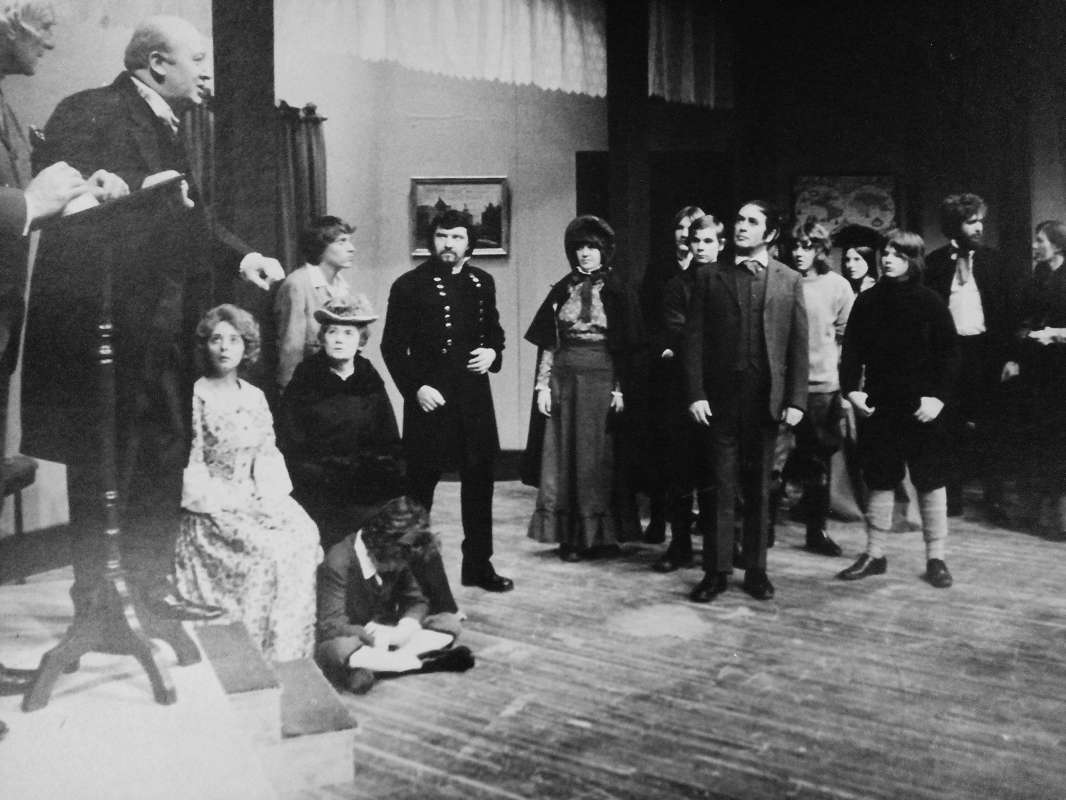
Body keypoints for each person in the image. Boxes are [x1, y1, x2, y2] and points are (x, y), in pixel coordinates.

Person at [23, 15, 286, 622]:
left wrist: (242, 256)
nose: (207, 72)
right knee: (103, 461)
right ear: (157, 63)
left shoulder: (173, 124)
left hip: (163, 331)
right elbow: (69, 213)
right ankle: (97, 604)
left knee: (163, 454)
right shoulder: (89, 110)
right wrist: (144, 190)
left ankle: (150, 592)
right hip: (104, 332)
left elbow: (189, 221)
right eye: (197, 59)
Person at [0, 1, 131, 728]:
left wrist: (76, 197)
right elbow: (17, 205)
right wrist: (27, 204)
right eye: (43, 24)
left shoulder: (9, 108)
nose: (53, 40)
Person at [174, 305, 321, 660]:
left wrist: (272, 503)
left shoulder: (254, 396)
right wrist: (228, 503)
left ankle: (290, 649)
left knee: (304, 534)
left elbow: (266, 454)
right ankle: (254, 649)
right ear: (205, 346)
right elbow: (193, 460)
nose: (225, 347)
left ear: (247, 347)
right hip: (212, 506)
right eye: (216, 339)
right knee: (269, 550)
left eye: (234, 340)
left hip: (255, 494)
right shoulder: (196, 395)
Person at [381, 209, 512, 592]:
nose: (448, 244)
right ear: (431, 240)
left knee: (479, 486)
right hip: (430, 400)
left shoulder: (482, 282)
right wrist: (415, 389)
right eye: (442, 236)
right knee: (419, 490)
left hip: (474, 401)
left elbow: (495, 332)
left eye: (456, 237)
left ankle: (478, 566)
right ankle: (407, 576)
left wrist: (492, 353)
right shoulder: (408, 285)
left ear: (469, 243)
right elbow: (392, 347)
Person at [684, 200, 808, 604]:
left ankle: (756, 570)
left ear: (769, 233)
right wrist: (696, 393)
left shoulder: (789, 280)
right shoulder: (710, 276)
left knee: (759, 488)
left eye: (752, 221)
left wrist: (796, 399)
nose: (741, 226)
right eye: (738, 219)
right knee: (720, 487)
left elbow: (798, 345)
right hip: (720, 402)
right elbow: (694, 341)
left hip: (765, 401)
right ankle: (716, 571)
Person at [837, 230, 959, 588]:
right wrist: (852, 392)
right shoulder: (868, 301)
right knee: (880, 476)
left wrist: (938, 399)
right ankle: (874, 554)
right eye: (885, 253)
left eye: (898, 254)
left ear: (913, 259)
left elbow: (950, 355)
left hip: (923, 407)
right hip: (880, 406)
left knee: (930, 478)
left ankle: (936, 558)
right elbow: (852, 352)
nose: (888, 259)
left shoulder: (931, 301)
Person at [523, 215, 644, 560]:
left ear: (604, 251)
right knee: (563, 455)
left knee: (598, 456)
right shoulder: (563, 289)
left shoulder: (618, 290)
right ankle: (570, 536)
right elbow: (549, 341)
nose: (585, 253)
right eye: (580, 247)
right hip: (564, 379)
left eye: (592, 247)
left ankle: (602, 534)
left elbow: (626, 347)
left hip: (602, 380)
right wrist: (542, 386)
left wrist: (620, 389)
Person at [316, 497, 473, 695]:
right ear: (379, 546)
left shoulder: (397, 553)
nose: (400, 567)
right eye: (397, 562)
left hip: (387, 633)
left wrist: (405, 628)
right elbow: (331, 625)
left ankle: (388, 664)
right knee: (338, 649)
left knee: (449, 622)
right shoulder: (338, 561)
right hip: (355, 637)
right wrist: (371, 635)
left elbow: (417, 601)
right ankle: (412, 663)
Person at [924, 194, 1013, 520]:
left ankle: (995, 499)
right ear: (954, 225)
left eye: (980, 221)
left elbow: (1008, 314)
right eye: (971, 221)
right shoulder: (934, 263)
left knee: (990, 425)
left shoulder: (994, 261)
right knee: (948, 424)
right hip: (948, 355)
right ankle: (952, 496)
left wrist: (1010, 358)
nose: (979, 228)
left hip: (986, 353)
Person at [651, 214, 722, 572]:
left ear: (721, 245)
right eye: (697, 241)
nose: (702, 248)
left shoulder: (732, 282)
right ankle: (679, 545)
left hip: (723, 389)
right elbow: (679, 333)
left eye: (709, 241)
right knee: (680, 470)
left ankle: (719, 547)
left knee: (718, 471)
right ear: (689, 244)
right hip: (682, 389)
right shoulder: (677, 286)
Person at [778, 221, 853, 556]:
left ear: (821, 249)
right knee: (773, 459)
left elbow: (846, 336)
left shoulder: (837, 286)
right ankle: (763, 530)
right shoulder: (781, 280)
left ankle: (816, 532)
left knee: (818, 460)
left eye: (807, 246)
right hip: (782, 387)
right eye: (795, 245)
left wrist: (842, 383)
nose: (799, 252)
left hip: (822, 386)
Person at [639, 205, 704, 543]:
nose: (684, 234)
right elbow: (646, 317)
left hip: (700, 368)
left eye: (691, 228)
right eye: (680, 227)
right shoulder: (660, 269)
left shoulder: (708, 268)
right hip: (665, 367)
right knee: (664, 445)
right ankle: (658, 517)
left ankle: (701, 517)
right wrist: (662, 348)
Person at [1004, 221, 1066, 538]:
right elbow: (1022, 318)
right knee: (1036, 439)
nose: (1034, 246)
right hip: (1036, 369)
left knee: (1060, 441)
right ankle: (1034, 514)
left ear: (1058, 244)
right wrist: (1016, 354)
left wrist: (1055, 334)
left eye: (1040, 241)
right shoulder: (1035, 278)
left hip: (1062, 370)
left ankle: (1060, 520)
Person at [274, 215, 356, 389]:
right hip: (307, 388)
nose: (351, 248)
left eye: (349, 241)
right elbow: (291, 350)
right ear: (321, 247)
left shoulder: (343, 288)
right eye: (342, 241)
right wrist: (290, 394)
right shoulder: (297, 285)